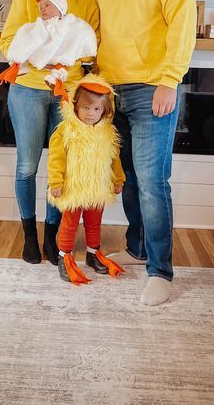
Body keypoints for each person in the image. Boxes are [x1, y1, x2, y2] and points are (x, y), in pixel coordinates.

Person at [94, 0, 196, 306]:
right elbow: (98, 36)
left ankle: (161, 272)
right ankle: (137, 247)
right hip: (110, 93)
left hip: (153, 89)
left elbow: (181, 26)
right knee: (131, 181)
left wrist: (170, 80)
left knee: (153, 182)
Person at [0, 0, 99, 266]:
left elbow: (92, 43)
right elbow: (7, 41)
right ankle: (29, 234)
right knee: (27, 165)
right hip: (27, 90)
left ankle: (50, 235)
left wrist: (72, 58)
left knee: (64, 166)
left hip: (66, 91)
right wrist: (38, 55)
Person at [47, 74, 125, 285]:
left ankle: (93, 254)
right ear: (75, 107)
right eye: (86, 108)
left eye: (97, 109)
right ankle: (64, 256)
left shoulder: (108, 132)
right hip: (73, 187)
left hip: (97, 187)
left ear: (106, 111)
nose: (91, 114)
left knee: (93, 222)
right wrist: (56, 181)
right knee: (70, 223)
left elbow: (114, 158)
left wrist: (118, 180)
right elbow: (56, 158)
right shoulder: (65, 131)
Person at [0, 0, 97, 100]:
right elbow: (12, 38)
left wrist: (75, 50)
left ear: (60, 8)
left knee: (65, 58)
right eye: (40, 8)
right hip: (29, 82)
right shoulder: (38, 21)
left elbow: (83, 34)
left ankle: (55, 78)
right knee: (25, 35)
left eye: (47, 5)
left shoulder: (70, 23)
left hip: (64, 64)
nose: (42, 9)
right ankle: (20, 65)